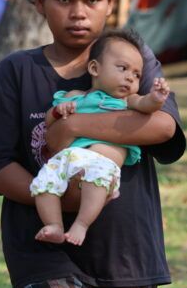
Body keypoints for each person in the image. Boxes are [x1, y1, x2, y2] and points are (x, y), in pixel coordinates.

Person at [0, 0, 186, 288]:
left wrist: (74, 126)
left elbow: (162, 127)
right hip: (43, 247)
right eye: (64, 0)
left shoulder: (131, 59)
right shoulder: (16, 72)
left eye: (92, 0)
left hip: (126, 250)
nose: (78, 13)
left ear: (111, 2)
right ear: (39, 1)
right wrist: (54, 196)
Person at [31, 29, 171, 246]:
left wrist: (156, 99)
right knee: (44, 181)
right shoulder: (75, 96)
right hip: (69, 158)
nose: (130, 77)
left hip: (102, 162)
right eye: (123, 68)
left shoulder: (127, 100)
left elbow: (146, 105)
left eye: (137, 75)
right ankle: (54, 225)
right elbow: (50, 119)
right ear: (95, 68)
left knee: (95, 182)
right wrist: (59, 111)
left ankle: (81, 224)